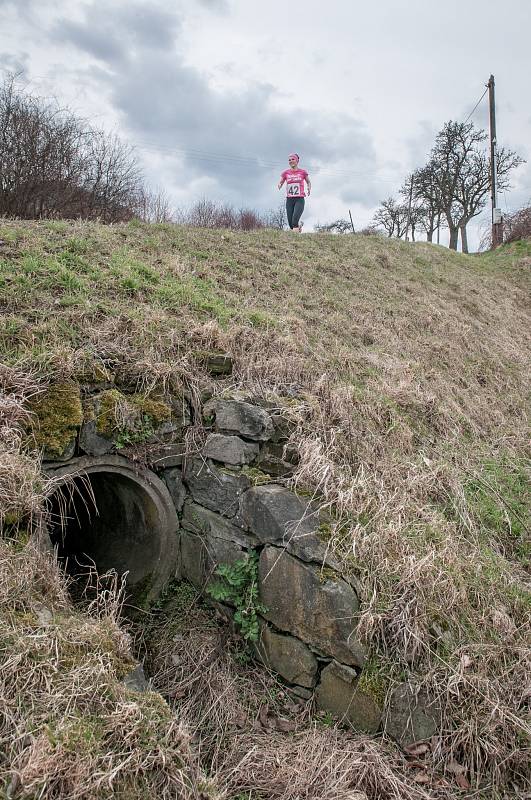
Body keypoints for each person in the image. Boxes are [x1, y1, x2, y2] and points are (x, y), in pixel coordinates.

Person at [278, 153, 311, 232]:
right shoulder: (286, 173)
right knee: (290, 223)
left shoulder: (303, 172)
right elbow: (281, 182)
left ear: (297, 161)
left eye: (293, 159)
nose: (291, 161)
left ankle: (295, 241)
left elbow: (308, 182)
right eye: (289, 160)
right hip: (289, 200)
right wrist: (280, 184)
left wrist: (309, 187)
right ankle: (298, 228)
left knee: (294, 221)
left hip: (299, 199)